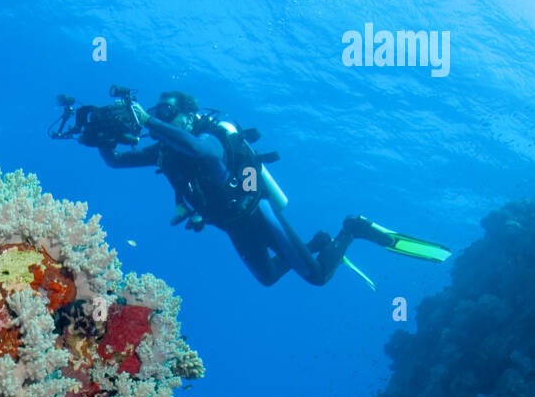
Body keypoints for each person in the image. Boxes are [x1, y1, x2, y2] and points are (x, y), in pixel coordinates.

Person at [96, 90, 450, 287]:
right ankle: (315, 244)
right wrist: (101, 138)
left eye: (167, 112)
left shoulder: (208, 135)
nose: (161, 116)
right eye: (157, 111)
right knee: (266, 277)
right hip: (233, 224)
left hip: (257, 212)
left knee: (316, 277)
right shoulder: (164, 152)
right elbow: (115, 162)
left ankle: (354, 228)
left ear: (187, 116)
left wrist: (149, 121)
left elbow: (201, 152)